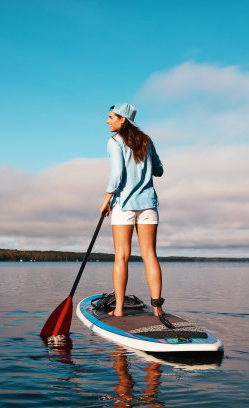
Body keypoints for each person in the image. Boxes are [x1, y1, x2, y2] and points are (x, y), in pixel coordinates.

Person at [99, 103, 165, 318]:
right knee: (150, 255)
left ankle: (118, 309)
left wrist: (107, 200)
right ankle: (157, 309)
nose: (107, 121)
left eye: (111, 117)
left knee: (122, 256)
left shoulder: (114, 142)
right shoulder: (147, 141)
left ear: (122, 120)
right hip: (148, 206)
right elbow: (159, 170)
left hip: (124, 205)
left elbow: (117, 174)